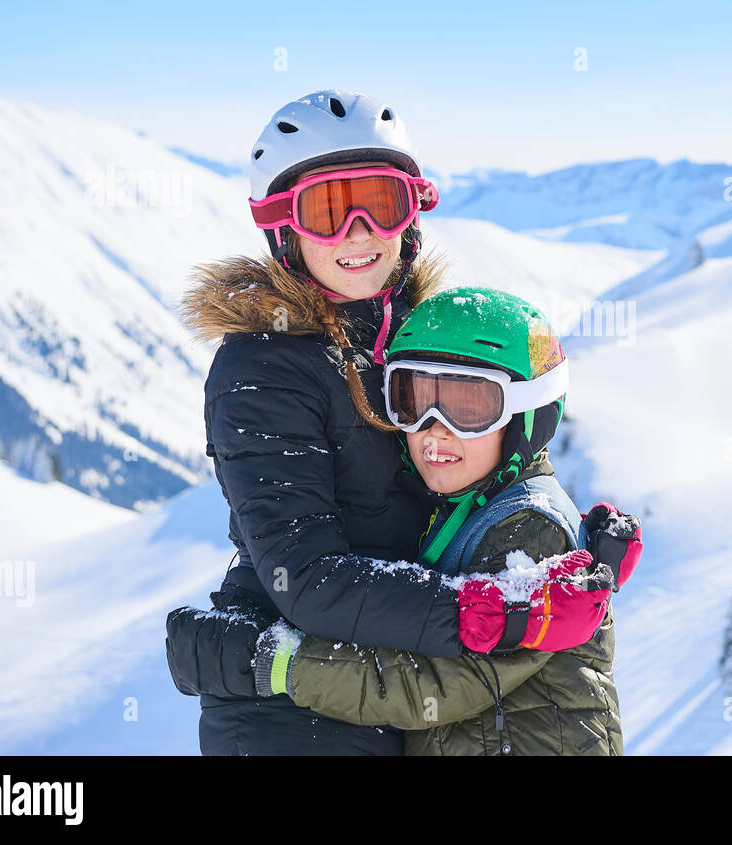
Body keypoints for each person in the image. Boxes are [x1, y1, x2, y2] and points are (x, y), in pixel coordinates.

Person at [170, 90, 617, 755]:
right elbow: (308, 577)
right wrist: (497, 612)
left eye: (379, 203)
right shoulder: (262, 370)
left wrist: (575, 550)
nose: (357, 231)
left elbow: (499, 443)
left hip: (387, 684)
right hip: (289, 712)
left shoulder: (416, 339)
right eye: (326, 209)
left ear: (410, 215)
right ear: (282, 229)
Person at [170, 287, 642, 755]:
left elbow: (437, 685)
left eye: (470, 408)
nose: (435, 428)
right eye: (413, 399)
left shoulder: (528, 528)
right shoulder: (461, 503)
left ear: (529, 417)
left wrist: (278, 666)